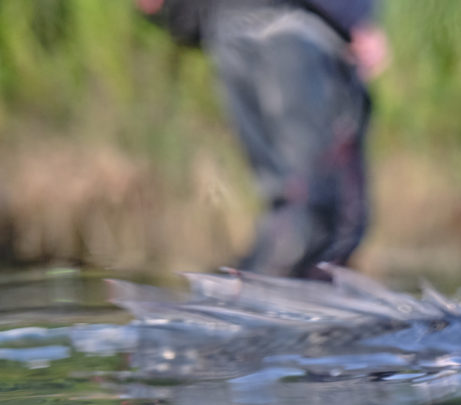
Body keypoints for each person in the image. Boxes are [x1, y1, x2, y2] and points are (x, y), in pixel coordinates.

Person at [136, 0, 387, 280]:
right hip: (295, 28)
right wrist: (356, 22)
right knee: (325, 209)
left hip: (231, 28)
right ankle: (268, 299)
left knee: (292, 199)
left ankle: (246, 294)